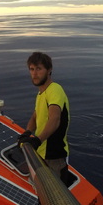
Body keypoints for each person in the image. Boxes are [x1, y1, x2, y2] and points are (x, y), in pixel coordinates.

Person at [18, 52, 71, 186]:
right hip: (41, 152)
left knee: (56, 196)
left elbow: (55, 119)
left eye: (39, 69)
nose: (34, 73)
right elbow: (35, 117)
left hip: (54, 156)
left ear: (49, 70)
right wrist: (28, 133)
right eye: (32, 69)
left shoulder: (55, 89)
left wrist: (38, 140)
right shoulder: (41, 94)